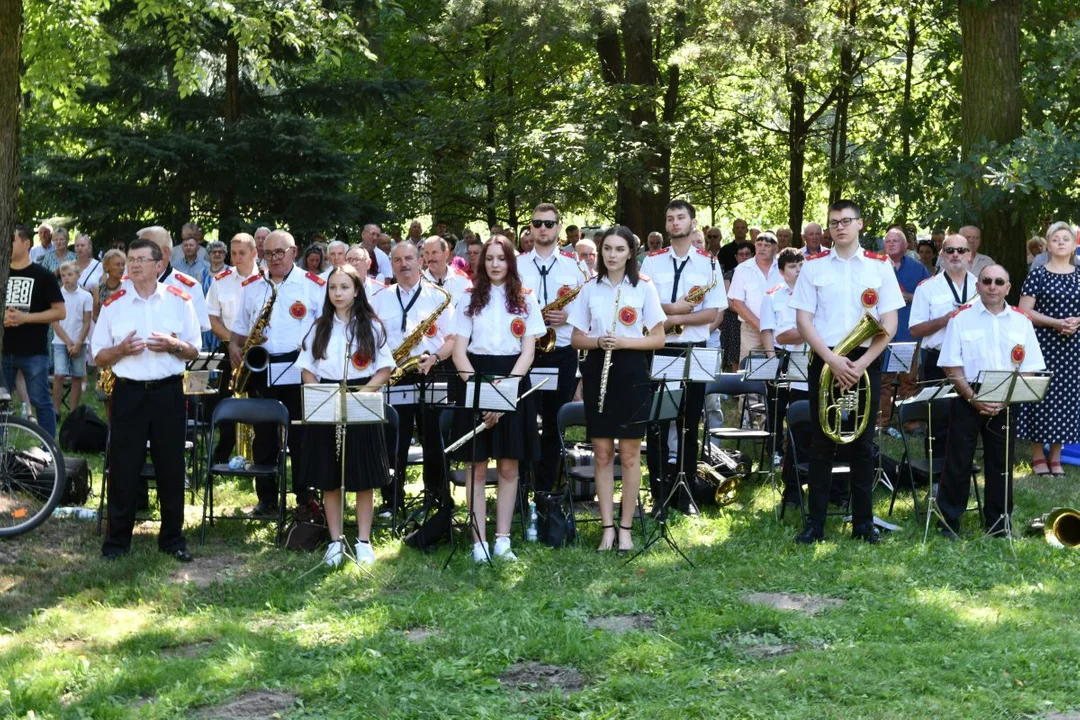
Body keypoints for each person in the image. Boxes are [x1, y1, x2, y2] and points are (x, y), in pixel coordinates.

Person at [791, 199, 904, 544]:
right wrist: (831, 360)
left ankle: (863, 523)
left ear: (860, 224)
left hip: (863, 360)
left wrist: (863, 363)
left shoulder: (879, 265)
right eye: (834, 222)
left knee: (862, 443)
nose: (839, 226)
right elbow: (803, 320)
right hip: (824, 359)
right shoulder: (812, 266)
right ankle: (816, 524)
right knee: (822, 442)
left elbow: (890, 322)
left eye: (846, 221)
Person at [92, 238, 201, 561]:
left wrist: (173, 344)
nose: (135, 264)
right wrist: (120, 351)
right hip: (129, 393)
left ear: (159, 265)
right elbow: (98, 355)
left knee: (170, 466)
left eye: (142, 259)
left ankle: (172, 540)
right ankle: (116, 544)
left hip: (168, 392)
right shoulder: (114, 304)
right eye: (131, 259)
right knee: (124, 467)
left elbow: (194, 350)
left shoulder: (180, 300)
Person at [568, 226, 666, 551]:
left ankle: (626, 528)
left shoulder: (643, 288)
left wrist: (624, 341)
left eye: (619, 249)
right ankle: (606, 527)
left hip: (633, 370)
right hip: (598, 369)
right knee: (602, 454)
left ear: (630, 253)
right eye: (607, 249)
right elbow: (576, 338)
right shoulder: (589, 289)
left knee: (629, 455)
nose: (612, 255)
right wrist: (597, 341)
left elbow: (658, 337)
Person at [449, 235, 544, 563]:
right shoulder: (467, 298)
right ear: (481, 262)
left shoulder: (526, 299)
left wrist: (503, 395)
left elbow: (528, 352)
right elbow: (459, 353)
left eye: (501, 258)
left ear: (510, 261)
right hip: (474, 377)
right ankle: (478, 542)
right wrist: (482, 394)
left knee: (508, 466)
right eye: (489, 258)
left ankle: (502, 540)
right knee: (476, 467)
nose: (494, 264)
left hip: (513, 379)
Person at [936, 265, 1044, 538]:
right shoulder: (961, 319)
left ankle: (998, 524)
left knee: (1001, 464)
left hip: (1007, 396)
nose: (992, 286)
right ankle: (948, 522)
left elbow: (1030, 367)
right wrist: (973, 399)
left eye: (999, 282)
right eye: (987, 281)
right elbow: (951, 366)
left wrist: (1007, 398)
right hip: (967, 395)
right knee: (958, 461)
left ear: (1008, 288)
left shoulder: (1022, 321)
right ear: (978, 286)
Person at [297, 265, 394, 567]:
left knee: (363, 476)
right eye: (333, 288)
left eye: (344, 287)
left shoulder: (372, 327)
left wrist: (362, 393)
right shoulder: (318, 327)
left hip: (360, 397)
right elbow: (307, 368)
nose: (338, 293)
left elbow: (385, 368)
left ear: (356, 290)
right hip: (327, 398)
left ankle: (363, 541)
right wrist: (320, 395)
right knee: (330, 477)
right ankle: (335, 541)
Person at [640, 200, 728, 514]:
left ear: (693, 222)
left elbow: (712, 312)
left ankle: (686, 491)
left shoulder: (708, 263)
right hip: (661, 349)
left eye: (681, 217)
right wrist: (675, 309)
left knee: (691, 422)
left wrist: (674, 318)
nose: (675, 223)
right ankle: (659, 495)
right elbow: (641, 303)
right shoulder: (651, 261)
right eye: (670, 218)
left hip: (696, 349)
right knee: (658, 423)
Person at [231, 230, 326, 515]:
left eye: (279, 253)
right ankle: (267, 498)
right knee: (263, 436)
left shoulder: (313, 285)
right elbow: (239, 329)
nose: (272, 259)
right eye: (268, 254)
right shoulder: (252, 286)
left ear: (294, 252)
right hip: (262, 366)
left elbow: (325, 328)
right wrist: (235, 347)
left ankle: (305, 498)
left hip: (300, 367)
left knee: (301, 435)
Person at [372, 242, 456, 518]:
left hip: (431, 371)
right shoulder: (379, 298)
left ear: (420, 261)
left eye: (409, 258)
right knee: (393, 441)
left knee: (435, 441)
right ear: (391, 264)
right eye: (397, 259)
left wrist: (434, 357)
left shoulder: (438, 296)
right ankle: (391, 501)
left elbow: (452, 338)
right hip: (394, 375)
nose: (403, 264)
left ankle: (436, 497)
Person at [517, 202, 589, 499]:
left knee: (554, 423)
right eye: (537, 223)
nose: (543, 228)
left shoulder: (577, 267)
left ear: (559, 228)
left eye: (549, 223)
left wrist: (568, 317)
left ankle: (546, 489)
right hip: (525, 355)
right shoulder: (516, 265)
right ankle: (521, 487)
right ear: (530, 228)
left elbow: (589, 312)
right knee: (522, 423)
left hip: (561, 352)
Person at [1016, 222, 1080, 477]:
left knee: (1067, 400)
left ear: (1074, 244)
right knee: (1040, 398)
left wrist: (1076, 321)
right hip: (1043, 344)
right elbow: (1024, 311)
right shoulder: (1038, 274)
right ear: (1048, 245)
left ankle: (1056, 456)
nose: (1061, 242)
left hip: (1073, 347)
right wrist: (1055, 323)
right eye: (1056, 239)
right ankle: (1037, 456)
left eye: (1066, 238)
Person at [909, 233, 978, 445]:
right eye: (950, 250)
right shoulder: (926, 287)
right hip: (936, 361)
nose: (955, 254)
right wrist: (944, 320)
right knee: (939, 424)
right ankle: (938, 472)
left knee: (968, 420)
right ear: (942, 255)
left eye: (961, 250)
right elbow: (915, 330)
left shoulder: (982, 286)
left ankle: (963, 470)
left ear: (970, 255)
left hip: (972, 362)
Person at [4, 226, 66, 437]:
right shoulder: (3, 273)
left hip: (33, 351)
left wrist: (25, 318)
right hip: (3, 350)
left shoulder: (43, 276)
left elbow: (60, 311)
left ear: (26, 243)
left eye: (11, 240)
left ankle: (48, 449)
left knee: (40, 400)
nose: (6, 244)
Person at [206, 233, 261, 463]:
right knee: (226, 401)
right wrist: (234, 342)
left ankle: (262, 456)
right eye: (234, 253)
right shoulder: (221, 280)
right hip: (229, 348)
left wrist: (249, 343)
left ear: (254, 253)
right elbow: (213, 319)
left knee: (259, 403)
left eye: (242, 253)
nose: (237, 257)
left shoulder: (267, 280)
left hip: (259, 350)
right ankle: (224, 454)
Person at [759, 247, 808, 490]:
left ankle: (800, 452)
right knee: (777, 406)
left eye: (800, 265)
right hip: (782, 354)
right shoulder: (773, 295)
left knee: (800, 403)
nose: (798, 270)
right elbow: (767, 329)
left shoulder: (812, 292)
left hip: (807, 354)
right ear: (781, 271)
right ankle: (776, 450)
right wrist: (772, 360)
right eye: (792, 267)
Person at [877, 227, 929, 433]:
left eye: (895, 241)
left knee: (909, 381)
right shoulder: (875, 266)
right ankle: (881, 424)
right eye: (888, 241)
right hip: (881, 334)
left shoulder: (918, 268)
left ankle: (910, 422)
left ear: (906, 245)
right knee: (883, 381)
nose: (890, 244)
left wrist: (911, 297)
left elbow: (928, 298)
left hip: (908, 333)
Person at [727, 230, 782, 366]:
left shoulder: (782, 268)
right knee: (750, 373)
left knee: (777, 371)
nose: (762, 248)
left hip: (779, 328)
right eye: (759, 244)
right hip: (751, 329)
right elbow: (737, 303)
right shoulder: (742, 269)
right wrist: (761, 326)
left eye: (767, 245)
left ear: (775, 248)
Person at [50, 262, 93, 413]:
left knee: (77, 376)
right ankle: (55, 410)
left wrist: (78, 342)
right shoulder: (56, 294)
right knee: (59, 374)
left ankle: (73, 411)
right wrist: (68, 342)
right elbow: (54, 322)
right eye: (63, 275)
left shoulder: (86, 296)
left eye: (70, 275)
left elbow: (87, 322)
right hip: (61, 342)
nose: (66, 278)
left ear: (78, 275)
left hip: (79, 342)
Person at [719, 241, 753, 371]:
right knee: (734, 357)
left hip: (751, 320)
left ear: (752, 255)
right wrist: (746, 313)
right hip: (733, 320)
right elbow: (729, 301)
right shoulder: (729, 274)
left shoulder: (755, 274)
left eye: (747, 254)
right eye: (741, 254)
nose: (744, 257)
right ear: (736, 257)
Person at [421, 235, 472, 305]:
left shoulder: (462, 279)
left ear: (446, 253)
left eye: (434, 252)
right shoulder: (418, 283)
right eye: (426, 253)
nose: (430, 258)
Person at [94, 249, 126, 322]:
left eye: (123, 264)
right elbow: (95, 315)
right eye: (117, 265)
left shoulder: (127, 288)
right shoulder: (98, 289)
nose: (121, 268)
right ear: (106, 267)